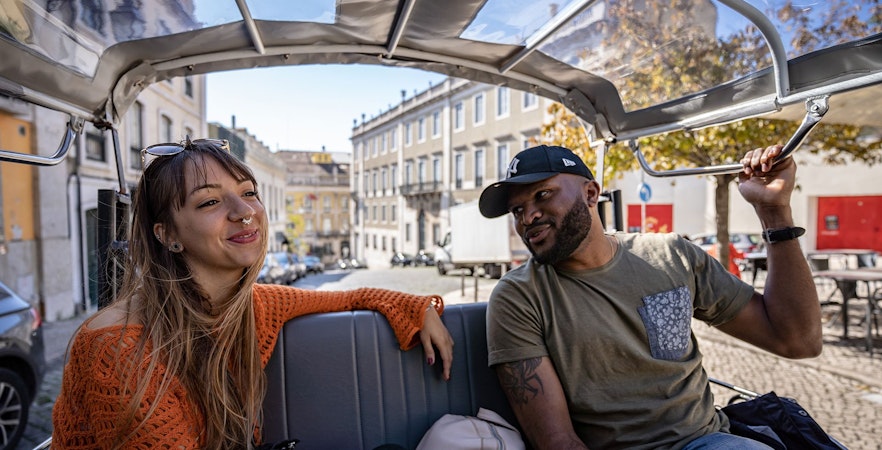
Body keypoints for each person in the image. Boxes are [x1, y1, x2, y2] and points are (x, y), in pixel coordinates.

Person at [52, 138, 454, 449]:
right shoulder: (120, 347)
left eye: (248, 192)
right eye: (209, 201)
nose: (243, 210)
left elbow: (348, 297)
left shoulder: (253, 305)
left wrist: (414, 306)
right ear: (168, 235)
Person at [478, 144, 821, 449]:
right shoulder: (518, 296)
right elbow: (557, 441)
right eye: (517, 211)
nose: (529, 218)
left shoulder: (672, 255)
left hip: (707, 440)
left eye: (542, 195)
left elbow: (797, 341)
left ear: (590, 193)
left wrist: (774, 211)